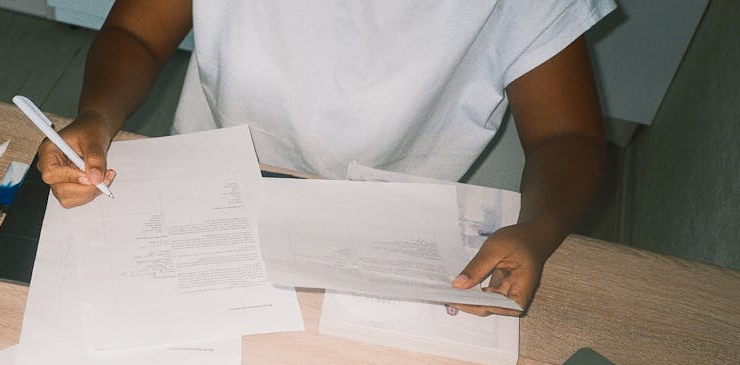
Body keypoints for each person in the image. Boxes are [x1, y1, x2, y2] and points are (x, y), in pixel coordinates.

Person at [37, 0, 616, 316]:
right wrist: (97, 117)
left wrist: (538, 229)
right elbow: (137, 33)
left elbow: (570, 138)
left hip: (384, 230)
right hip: (210, 185)